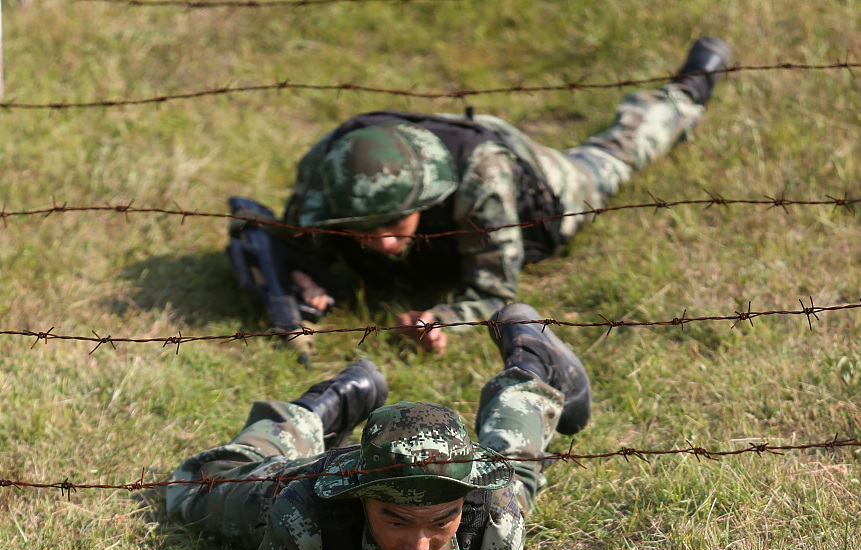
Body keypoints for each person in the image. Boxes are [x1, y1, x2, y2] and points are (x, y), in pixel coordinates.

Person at [165, 305, 590, 550]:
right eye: (397, 520)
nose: (418, 546)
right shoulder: (307, 510)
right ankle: (332, 400)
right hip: (296, 484)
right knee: (197, 484)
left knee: (515, 474)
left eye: (442, 520)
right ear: (361, 496)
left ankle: (531, 365)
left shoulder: (494, 513)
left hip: (489, 496)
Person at [228, 38, 731, 352]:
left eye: (395, 224)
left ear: (425, 201)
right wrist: (303, 274)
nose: (382, 243)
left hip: (543, 190)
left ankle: (685, 93)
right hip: (431, 159)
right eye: (362, 230)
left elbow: (492, 290)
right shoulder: (327, 170)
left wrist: (440, 320)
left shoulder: (481, 179)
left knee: (611, 156)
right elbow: (297, 239)